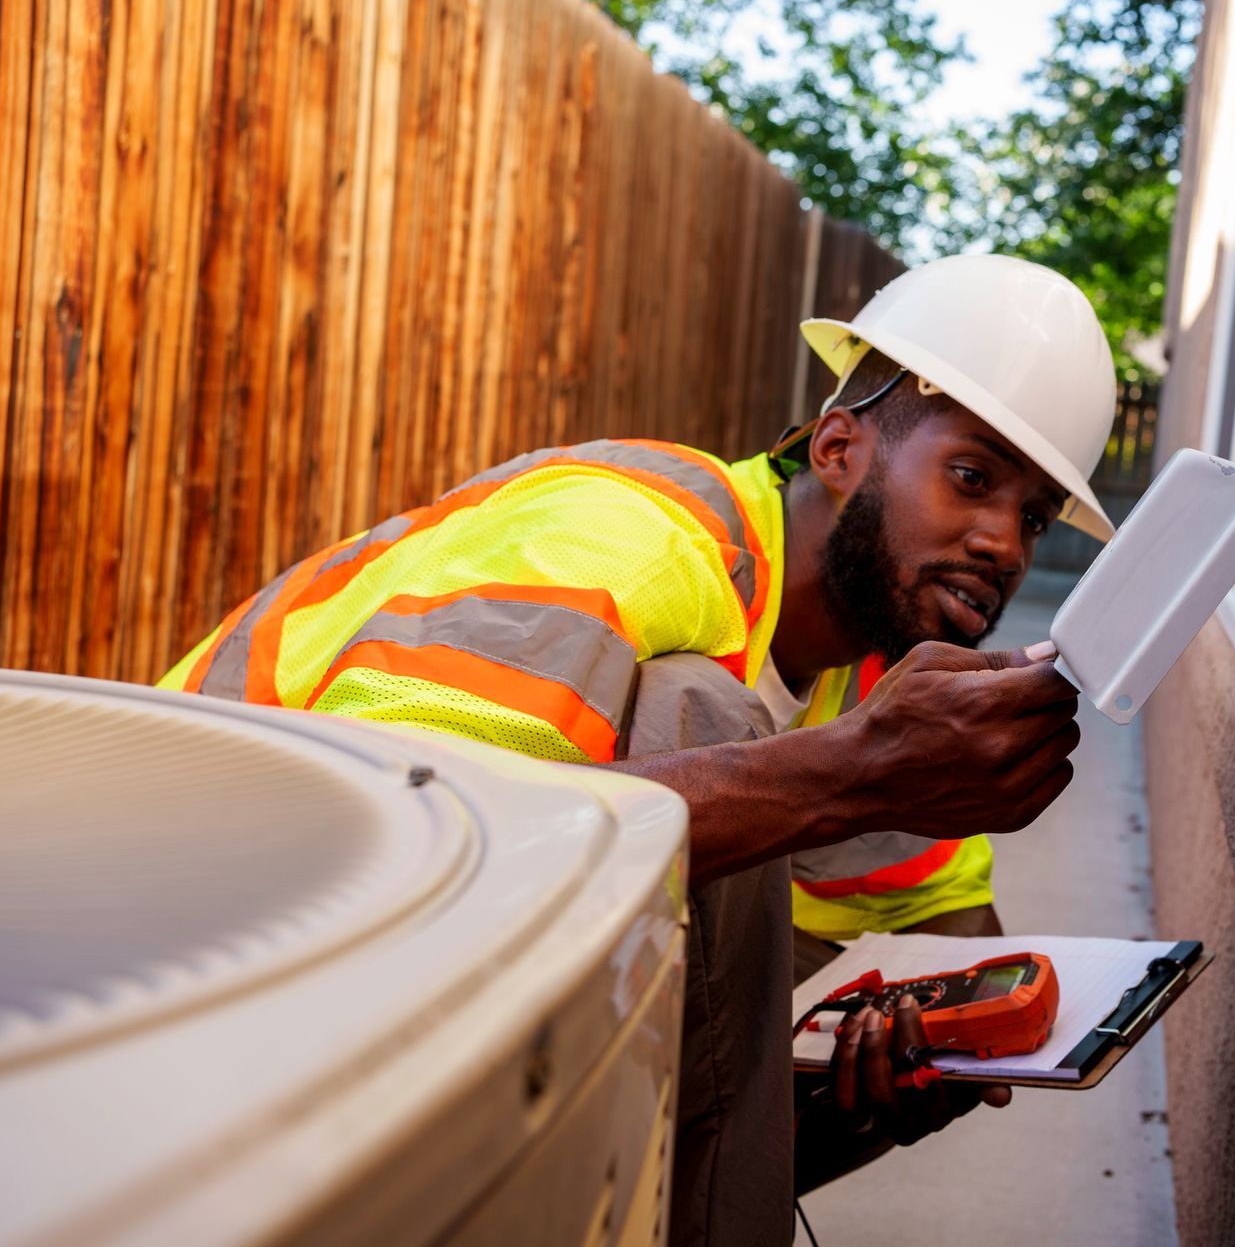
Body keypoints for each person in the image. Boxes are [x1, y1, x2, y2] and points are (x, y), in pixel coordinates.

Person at [157, 253, 1119, 1246]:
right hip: (198, 910)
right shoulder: (638, 533)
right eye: (972, 478)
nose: (1005, 542)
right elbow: (420, 835)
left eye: (1035, 516)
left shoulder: (879, 684)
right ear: (839, 447)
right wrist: (847, 773)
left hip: (341, 965)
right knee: (702, 717)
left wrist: (930, 1063)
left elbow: (957, 938)